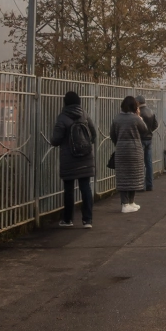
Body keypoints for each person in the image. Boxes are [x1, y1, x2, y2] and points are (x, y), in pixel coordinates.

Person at [50, 91, 97, 228]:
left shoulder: (62, 118)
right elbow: (93, 134)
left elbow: (56, 140)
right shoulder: (85, 115)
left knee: (69, 189)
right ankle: (87, 220)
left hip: (69, 159)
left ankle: (68, 219)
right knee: (85, 187)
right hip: (86, 157)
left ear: (65, 102)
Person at [110, 95, 149, 213]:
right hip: (134, 150)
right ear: (135, 107)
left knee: (123, 176)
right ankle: (130, 202)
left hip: (121, 150)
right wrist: (139, 117)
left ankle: (126, 203)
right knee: (134, 175)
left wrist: (119, 143)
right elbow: (145, 130)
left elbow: (112, 134)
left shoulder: (117, 118)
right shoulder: (135, 119)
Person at [138, 96, 158, 191]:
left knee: (140, 163)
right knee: (149, 162)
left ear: (138, 102)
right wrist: (149, 131)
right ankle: (149, 185)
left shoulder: (138, 113)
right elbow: (155, 125)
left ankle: (141, 185)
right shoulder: (151, 111)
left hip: (141, 138)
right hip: (149, 138)